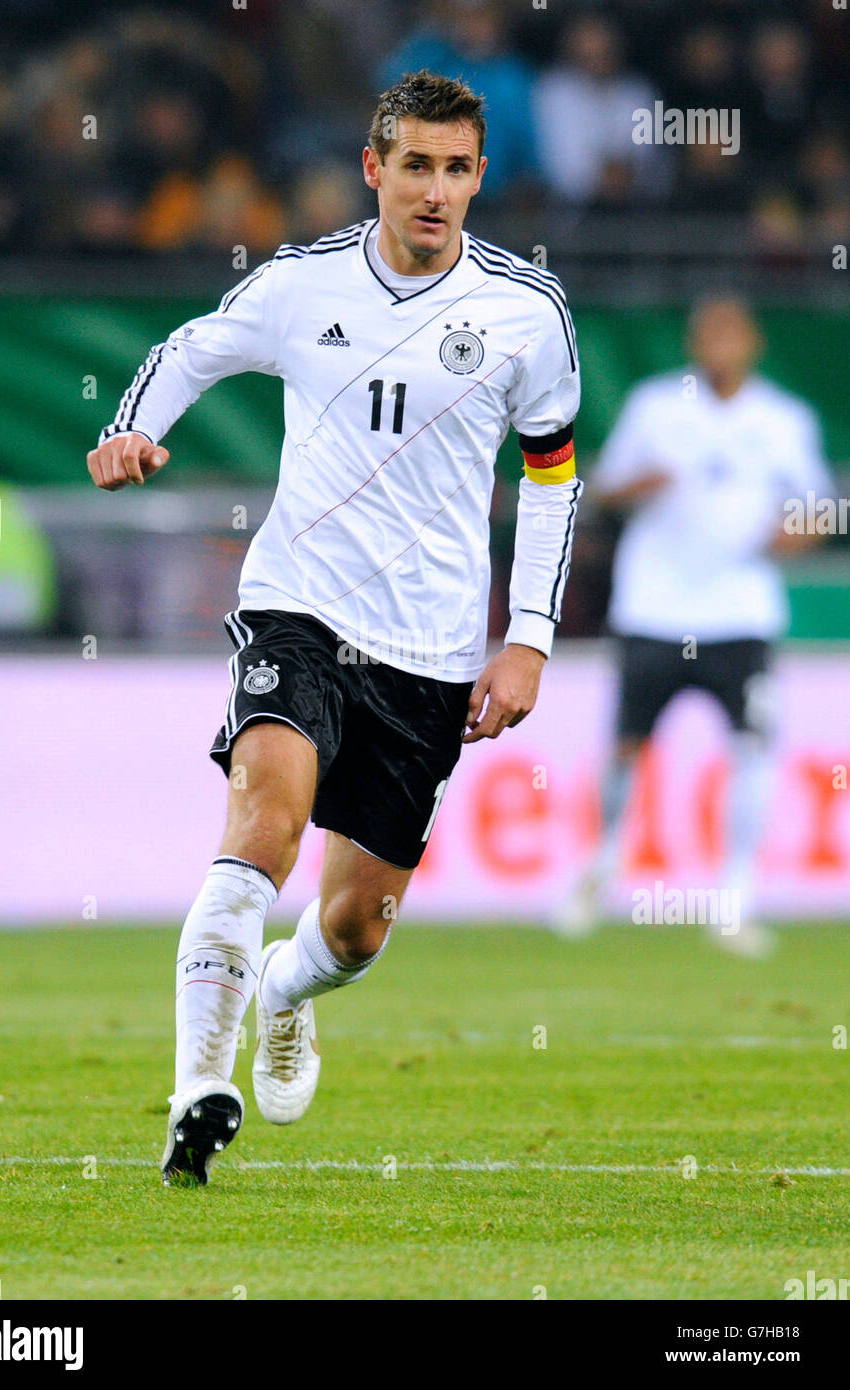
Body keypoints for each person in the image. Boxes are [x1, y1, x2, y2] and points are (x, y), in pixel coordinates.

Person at [87, 70, 583, 1186]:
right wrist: (132, 432)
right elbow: (193, 348)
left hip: (434, 649)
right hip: (299, 607)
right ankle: (196, 1093)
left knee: (356, 929)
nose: (436, 191)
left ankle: (283, 991)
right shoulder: (302, 285)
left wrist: (531, 634)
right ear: (374, 169)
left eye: (457, 170)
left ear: (480, 177)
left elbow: (551, 477)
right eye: (415, 164)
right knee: (265, 819)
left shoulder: (526, 314)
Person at [561, 296, 832, 954]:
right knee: (627, 745)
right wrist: (638, 487)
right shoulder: (657, 407)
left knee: (751, 748)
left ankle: (734, 898)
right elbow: (600, 488)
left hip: (740, 612)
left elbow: (820, 510)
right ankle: (603, 862)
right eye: (707, 334)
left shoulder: (783, 420)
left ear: (752, 343)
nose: (718, 346)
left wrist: (793, 535)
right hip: (654, 606)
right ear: (692, 342)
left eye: (730, 334)